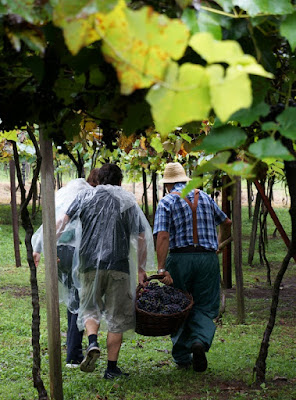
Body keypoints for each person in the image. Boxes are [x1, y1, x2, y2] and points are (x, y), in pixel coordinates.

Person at [57, 163, 154, 379]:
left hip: (89, 266)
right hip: (118, 267)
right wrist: (140, 268)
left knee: (90, 308)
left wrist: (48, 245)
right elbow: (140, 236)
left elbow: (62, 222)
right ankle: (111, 368)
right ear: (120, 181)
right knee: (117, 318)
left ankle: (92, 342)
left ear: (99, 179)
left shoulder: (85, 197)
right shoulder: (126, 201)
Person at [153, 162, 232, 372]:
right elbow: (227, 222)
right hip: (207, 259)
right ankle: (200, 340)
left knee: (178, 304)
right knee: (205, 305)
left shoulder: (167, 201)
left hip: (180, 259)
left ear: (168, 184)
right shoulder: (205, 197)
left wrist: (161, 269)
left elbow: (162, 235)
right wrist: (217, 244)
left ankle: (182, 356)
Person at [32, 168, 100, 367]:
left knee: (73, 299)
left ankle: (73, 351)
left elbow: (50, 222)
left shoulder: (67, 193)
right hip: (76, 254)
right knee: (80, 301)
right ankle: (73, 354)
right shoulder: (88, 196)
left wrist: (42, 248)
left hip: (59, 252)